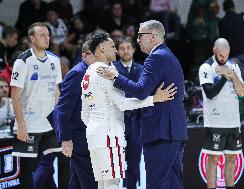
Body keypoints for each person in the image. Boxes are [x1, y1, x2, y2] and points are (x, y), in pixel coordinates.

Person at [97, 20, 187, 189]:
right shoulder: (167, 55)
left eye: (140, 36)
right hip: (173, 130)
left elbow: (140, 91)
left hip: (161, 131)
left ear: (152, 36)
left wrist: (115, 77)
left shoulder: (156, 57)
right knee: (174, 183)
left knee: (157, 183)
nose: (137, 40)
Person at [10, 22, 62, 189]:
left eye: (48, 35)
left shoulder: (54, 59)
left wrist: (58, 120)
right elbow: (15, 95)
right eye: (42, 35)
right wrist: (21, 125)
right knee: (28, 169)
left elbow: (56, 92)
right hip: (29, 125)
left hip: (49, 124)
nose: (47, 38)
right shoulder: (23, 61)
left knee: (59, 161)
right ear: (31, 39)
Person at [198, 38, 244, 189]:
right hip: (215, 123)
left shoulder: (234, 67)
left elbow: (242, 92)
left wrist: (232, 75)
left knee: (231, 159)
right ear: (214, 51)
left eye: (226, 55)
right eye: (220, 55)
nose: (223, 58)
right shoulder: (206, 67)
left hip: (233, 122)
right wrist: (225, 77)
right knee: (212, 161)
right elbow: (210, 93)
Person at [52, 38, 98, 189]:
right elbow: (62, 109)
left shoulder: (93, 72)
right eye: (95, 54)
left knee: (77, 181)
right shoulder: (78, 73)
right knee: (90, 182)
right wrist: (65, 138)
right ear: (85, 56)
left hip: (88, 135)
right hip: (79, 137)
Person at [113, 37, 143, 189]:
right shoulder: (111, 69)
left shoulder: (142, 69)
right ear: (117, 51)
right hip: (117, 119)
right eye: (122, 48)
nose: (125, 50)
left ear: (134, 50)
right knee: (115, 159)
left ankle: (131, 186)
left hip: (136, 121)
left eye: (128, 47)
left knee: (134, 159)